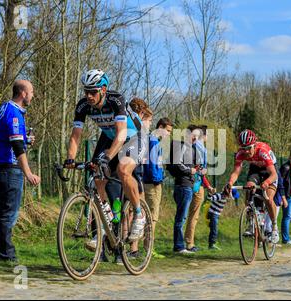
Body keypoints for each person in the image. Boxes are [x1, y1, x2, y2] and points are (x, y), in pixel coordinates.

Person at [65, 69, 145, 242]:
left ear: (103, 89)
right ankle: (105, 223)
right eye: (86, 91)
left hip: (132, 137)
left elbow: (121, 133)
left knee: (123, 170)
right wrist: (70, 159)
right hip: (109, 137)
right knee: (97, 177)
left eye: (93, 91)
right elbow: (76, 135)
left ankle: (139, 215)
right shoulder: (83, 105)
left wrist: (108, 157)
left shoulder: (116, 100)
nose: (89, 96)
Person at [0, 80, 41, 263]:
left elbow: (7, 137)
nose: (32, 95)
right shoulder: (14, 113)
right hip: (8, 169)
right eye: (31, 91)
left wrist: (25, 139)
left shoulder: (3, 109)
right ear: (22, 93)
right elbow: (16, 145)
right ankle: (7, 255)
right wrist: (28, 173)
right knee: (8, 213)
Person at [224, 129, 280, 243]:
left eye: (249, 148)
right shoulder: (241, 153)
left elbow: (274, 175)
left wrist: (267, 183)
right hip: (255, 170)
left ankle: (274, 226)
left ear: (254, 144)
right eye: (244, 149)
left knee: (268, 198)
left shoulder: (262, 151)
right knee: (249, 187)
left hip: (269, 170)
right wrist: (230, 183)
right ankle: (250, 222)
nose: (247, 152)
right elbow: (236, 172)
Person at [143, 117, 173, 258]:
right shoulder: (153, 141)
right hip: (152, 183)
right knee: (152, 216)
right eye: (167, 131)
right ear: (160, 127)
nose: (168, 134)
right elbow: (152, 164)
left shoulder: (154, 141)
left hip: (152, 181)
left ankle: (147, 246)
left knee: (150, 215)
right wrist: (157, 180)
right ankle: (148, 248)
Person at [167, 129, 198, 254]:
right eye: (193, 136)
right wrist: (190, 171)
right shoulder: (182, 146)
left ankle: (179, 245)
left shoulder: (189, 148)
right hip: (183, 186)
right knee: (181, 217)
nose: (195, 139)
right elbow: (177, 164)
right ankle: (179, 246)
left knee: (182, 217)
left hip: (186, 185)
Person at [184, 125, 215, 252]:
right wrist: (207, 185)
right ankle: (189, 243)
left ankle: (185, 242)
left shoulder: (193, 146)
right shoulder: (200, 149)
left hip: (193, 183)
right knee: (192, 215)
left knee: (185, 215)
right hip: (196, 184)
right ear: (204, 136)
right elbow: (200, 169)